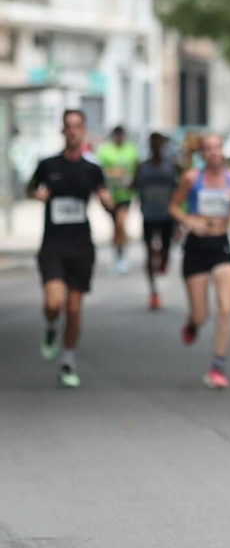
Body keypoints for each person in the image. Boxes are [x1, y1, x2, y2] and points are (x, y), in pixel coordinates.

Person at [28, 109, 114, 388]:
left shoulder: (92, 168)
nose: (74, 131)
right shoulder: (48, 164)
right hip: (53, 244)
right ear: (63, 131)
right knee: (54, 302)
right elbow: (30, 188)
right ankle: (52, 327)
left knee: (75, 309)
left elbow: (105, 195)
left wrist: (106, 200)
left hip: (81, 245)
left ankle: (67, 361)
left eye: (78, 126)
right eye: (69, 127)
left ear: (84, 130)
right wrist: (36, 194)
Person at [170, 134, 230, 390]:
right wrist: (189, 221)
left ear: (223, 151)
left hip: (221, 246)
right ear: (202, 154)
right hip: (196, 247)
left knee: (226, 308)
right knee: (202, 314)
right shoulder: (191, 178)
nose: (214, 153)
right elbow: (174, 207)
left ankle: (218, 366)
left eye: (217, 148)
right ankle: (193, 322)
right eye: (208, 149)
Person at [133, 132, 179, 311]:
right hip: (148, 215)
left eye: (159, 143)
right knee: (148, 254)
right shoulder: (142, 166)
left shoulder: (171, 166)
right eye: (153, 143)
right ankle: (153, 292)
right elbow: (133, 186)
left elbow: (179, 190)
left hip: (167, 216)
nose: (156, 146)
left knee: (166, 254)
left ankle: (162, 259)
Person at [97, 124, 139, 275]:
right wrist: (114, 173)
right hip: (110, 195)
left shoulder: (131, 150)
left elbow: (136, 170)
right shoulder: (105, 150)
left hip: (125, 195)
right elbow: (99, 171)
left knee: (121, 223)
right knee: (115, 226)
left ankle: (122, 256)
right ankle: (118, 255)